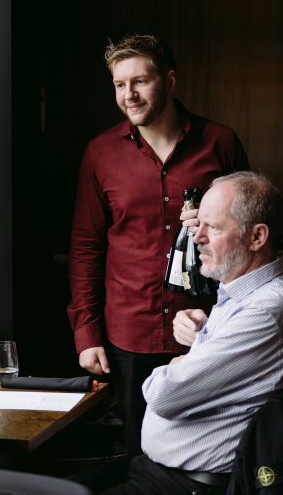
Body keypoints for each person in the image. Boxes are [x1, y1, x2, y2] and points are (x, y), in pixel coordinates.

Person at [71, 171, 283, 494]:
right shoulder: (245, 291)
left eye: (213, 227)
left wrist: (179, 362)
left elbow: (162, 395)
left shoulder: (266, 310)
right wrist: (202, 336)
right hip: (154, 468)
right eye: (198, 224)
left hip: (188, 484)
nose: (196, 237)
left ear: (257, 237)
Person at [67, 34, 249, 456]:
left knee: (211, 452)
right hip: (130, 335)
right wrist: (86, 332)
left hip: (208, 329)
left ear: (169, 82)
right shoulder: (100, 153)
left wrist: (215, 222)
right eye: (119, 85)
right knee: (139, 456)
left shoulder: (220, 143)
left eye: (140, 81)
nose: (128, 94)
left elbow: (255, 233)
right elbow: (86, 248)